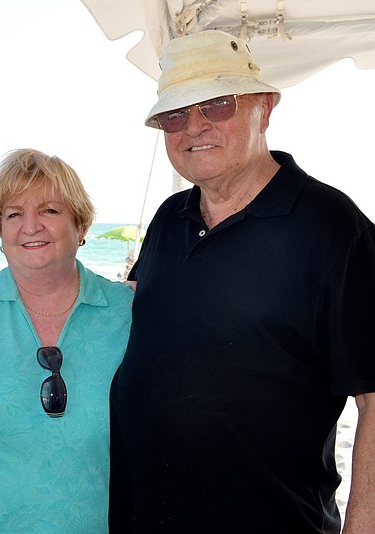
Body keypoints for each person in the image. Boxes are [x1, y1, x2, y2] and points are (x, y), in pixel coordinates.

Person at [109, 30, 375, 533]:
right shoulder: (170, 217)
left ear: (265, 107)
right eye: (175, 115)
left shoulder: (333, 228)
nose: (194, 127)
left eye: (217, 104)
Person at [0, 149, 134, 533]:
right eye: (14, 214)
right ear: (0, 233)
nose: (30, 226)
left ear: (81, 226)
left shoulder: (127, 312)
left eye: (50, 211)